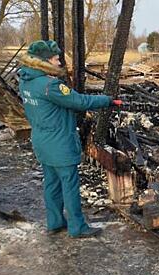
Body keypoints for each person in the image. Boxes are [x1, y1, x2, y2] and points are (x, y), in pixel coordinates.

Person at [18, 40, 121, 238]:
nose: (59, 63)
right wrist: (107, 100)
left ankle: (55, 222)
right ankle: (77, 227)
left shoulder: (25, 79)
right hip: (60, 143)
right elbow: (79, 101)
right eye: (56, 59)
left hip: (41, 141)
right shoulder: (51, 85)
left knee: (51, 183)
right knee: (70, 185)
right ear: (45, 61)